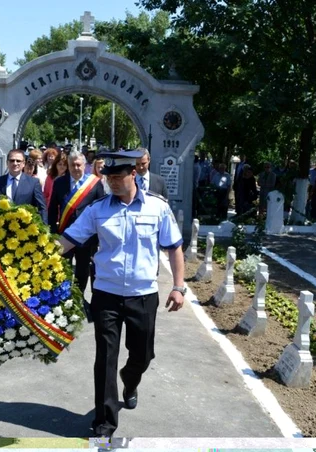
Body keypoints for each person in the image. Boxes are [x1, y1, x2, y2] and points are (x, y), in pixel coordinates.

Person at [57, 148, 185, 438]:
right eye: (108, 176)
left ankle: (130, 381)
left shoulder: (157, 207)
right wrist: (38, 257)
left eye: (118, 176)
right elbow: (68, 240)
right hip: (106, 294)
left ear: (134, 174)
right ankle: (104, 424)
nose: (112, 181)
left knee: (142, 356)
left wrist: (178, 287)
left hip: (143, 294)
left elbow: (174, 247)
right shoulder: (97, 209)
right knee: (105, 359)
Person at [48, 150, 104, 296]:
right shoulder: (59, 182)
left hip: (87, 236)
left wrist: (99, 235)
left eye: (79, 165)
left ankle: (78, 297)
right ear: (68, 165)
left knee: (83, 268)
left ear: (84, 165)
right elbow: (53, 209)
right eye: (72, 165)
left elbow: (101, 210)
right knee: (63, 267)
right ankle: (63, 297)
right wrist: (53, 232)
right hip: (65, 234)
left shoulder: (94, 184)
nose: (76, 168)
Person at [0, 149, 47, 223]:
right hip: (1, 228)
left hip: (26, 228)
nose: (15, 163)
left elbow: (41, 208)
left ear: (23, 164)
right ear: (7, 163)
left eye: (18, 161)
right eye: (12, 160)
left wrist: (44, 229)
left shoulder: (33, 183)